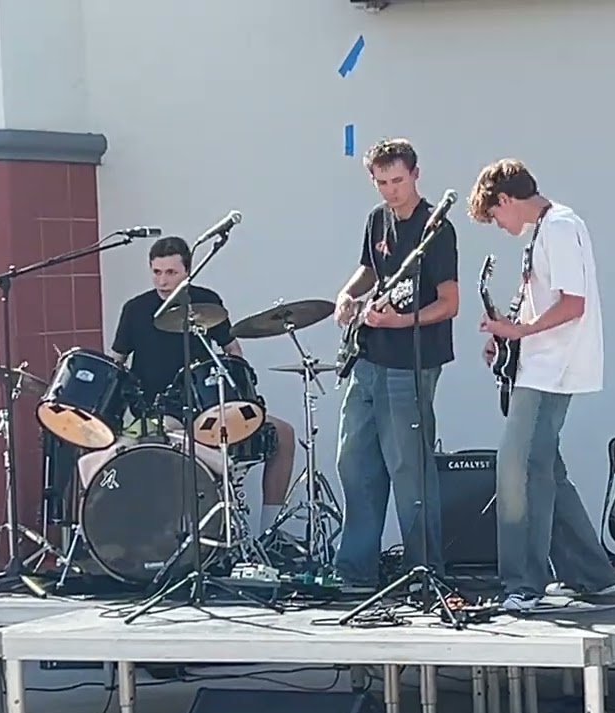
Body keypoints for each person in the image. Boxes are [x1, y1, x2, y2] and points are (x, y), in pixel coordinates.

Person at [469, 158, 615, 612]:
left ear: (506, 199)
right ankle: (591, 573)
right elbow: (553, 303)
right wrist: (509, 338)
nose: (498, 224)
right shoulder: (548, 229)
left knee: (518, 470)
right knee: (545, 470)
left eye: (494, 215)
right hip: (541, 365)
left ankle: (523, 584)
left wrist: (519, 334)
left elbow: (574, 304)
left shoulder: (558, 226)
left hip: (552, 369)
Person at [331, 138, 458, 592]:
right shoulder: (376, 220)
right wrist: (348, 293)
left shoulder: (436, 228)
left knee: (409, 467)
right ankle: (355, 570)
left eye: (398, 181)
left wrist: (402, 320)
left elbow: (450, 303)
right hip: (368, 355)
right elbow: (368, 269)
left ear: (416, 174)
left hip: (412, 361)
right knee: (354, 461)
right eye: (382, 183)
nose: (391, 192)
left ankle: (425, 570)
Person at [111, 236, 297, 535]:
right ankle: (196, 532)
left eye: (170, 272)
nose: (162, 280)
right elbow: (116, 362)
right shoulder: (135, 309)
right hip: (161, 409)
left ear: (188, 271)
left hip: (207, 405)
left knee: (284, 435)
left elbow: (233, 351)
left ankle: (268, 532)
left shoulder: (207, 303)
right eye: (156, 272)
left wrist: (238, 390)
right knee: (177, 438)